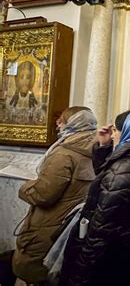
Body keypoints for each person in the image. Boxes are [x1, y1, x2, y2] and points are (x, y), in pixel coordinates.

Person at [59, 110, 130, 286]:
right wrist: (104, 146)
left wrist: (80, 272)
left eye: (115, 130)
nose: (113, 134)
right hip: (126, 241)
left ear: (128, 131)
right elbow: (106, 181)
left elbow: (100, 229)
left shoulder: (124, 167)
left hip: (111, 250)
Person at [12, 106, 97, 285]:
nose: (58, 124)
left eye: (62, 120)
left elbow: (44, 194)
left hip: (48, 227)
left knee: (34, 273)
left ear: (73, 124)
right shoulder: (96, 149)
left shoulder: (64, 153)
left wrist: (25, 188)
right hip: (68, 225)